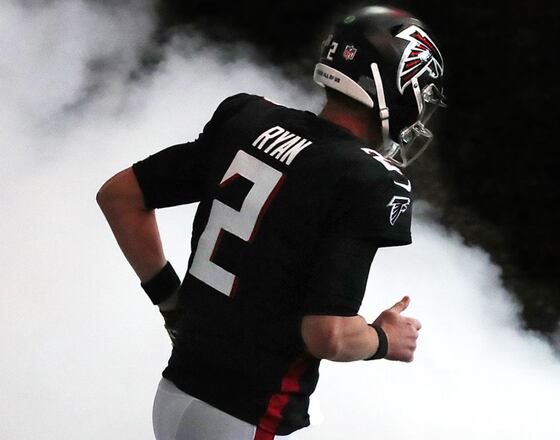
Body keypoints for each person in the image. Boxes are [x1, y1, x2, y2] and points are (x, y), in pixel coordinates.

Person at [96, 5, 446, 440]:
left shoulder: (249, 119)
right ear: (397, 84)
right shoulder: (370, 178)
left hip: (173, 395)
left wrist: (171, 301)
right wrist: (383, 338)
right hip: (245, 415)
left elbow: (120, 197)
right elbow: (328, 335)